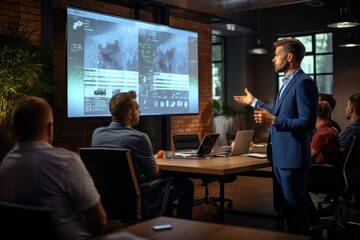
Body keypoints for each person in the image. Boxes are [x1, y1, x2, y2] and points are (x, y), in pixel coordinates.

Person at [234, 38, 319, 235]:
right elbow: (279, 115)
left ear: (289, 57)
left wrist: (274, 120)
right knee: (289, 212)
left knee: (297, 214)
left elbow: (307, 123)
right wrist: (254, 102)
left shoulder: (304, 82)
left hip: (293, 160)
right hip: (281, 158)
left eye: (277, 55)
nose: (273, 59)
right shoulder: (287, 83)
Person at [0, 96, 107, 240]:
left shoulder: (5, 164)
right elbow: (99, 222)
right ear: (50, 128)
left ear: (13, 130)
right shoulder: (65, 161)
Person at [92, 91, 194, 219]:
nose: (139, 112)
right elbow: (154, 173)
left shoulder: (97, 134)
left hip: (108, 199)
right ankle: (185, 231)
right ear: (130, 113)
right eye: (137, 108)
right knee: (186, 185)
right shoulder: (139, 138)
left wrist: (153, 157)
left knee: (165, 187)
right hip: (140, 200)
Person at [307, 101, 341, 226]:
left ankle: (312, 218)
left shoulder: (321, 134)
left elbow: (309, 157)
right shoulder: (332, 130)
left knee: (297, 181)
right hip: (332, 175)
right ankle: (314, 215)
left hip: (323, 176)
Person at [339, 93, 360, 205]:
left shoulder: (352, 130)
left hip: (348, 176)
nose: (346, 109)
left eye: (347, 106)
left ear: (351, 109)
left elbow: (335, 152)